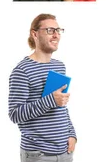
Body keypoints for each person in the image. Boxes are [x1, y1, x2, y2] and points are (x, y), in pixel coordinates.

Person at [8, 14, 76, 161]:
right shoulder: (22, 70)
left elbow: (61, 106)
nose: (56, 35)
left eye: (58, 31)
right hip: (38, 155)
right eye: (50, 30)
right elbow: (15, 114)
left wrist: (72, 133)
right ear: (35, 34)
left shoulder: (59, 66)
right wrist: (51, 99)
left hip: (65, 152)